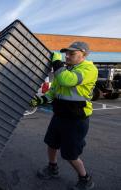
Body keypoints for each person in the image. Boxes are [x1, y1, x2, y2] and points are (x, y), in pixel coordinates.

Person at [30, 41, 98, 190]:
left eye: (72, 53)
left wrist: (56, 62)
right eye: (66, 53)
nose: (67, 56)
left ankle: (85, 179)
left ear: (84, 54)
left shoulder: (88, 69)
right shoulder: (66, 69)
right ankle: (52, 168)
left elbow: (68, 80)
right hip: (60, 116)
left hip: (76, 119)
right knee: (51, 143)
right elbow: (54, 92)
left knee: (70, 154)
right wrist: (39, 100)